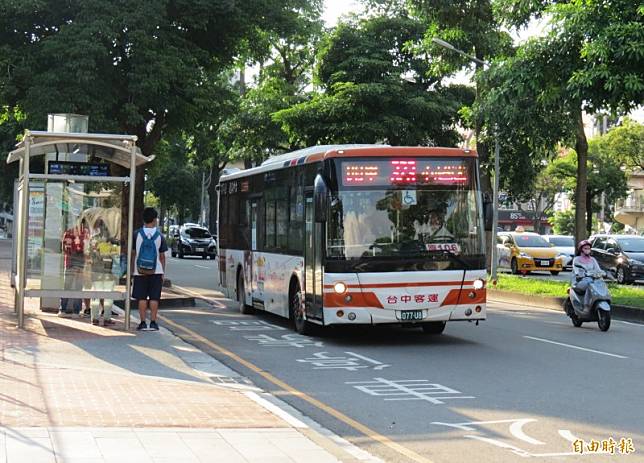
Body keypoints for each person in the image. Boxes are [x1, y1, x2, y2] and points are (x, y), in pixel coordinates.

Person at [131, 207, 167, 331]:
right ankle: (153, 322)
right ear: (154, 219)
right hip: (156, 271)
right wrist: (162, 272)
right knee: (154, 297)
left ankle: (142, 323)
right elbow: (162, 256)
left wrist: (132, 269)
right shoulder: (160, 236)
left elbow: (133, 253)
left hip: (139, 270)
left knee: (141, 297)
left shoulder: (136, 234)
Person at [571, 240, 604, 306]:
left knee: (600, 285)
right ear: (581, 249)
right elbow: (576, 270)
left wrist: (603, 273)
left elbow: (598, 270)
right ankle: (586, 306)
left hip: (592, 281)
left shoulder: (592, 259)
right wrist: (580, 274)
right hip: (579, 282)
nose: (587, 250)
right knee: (589, 286)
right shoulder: (577, 259)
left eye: (589, 248)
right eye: (585, 248)